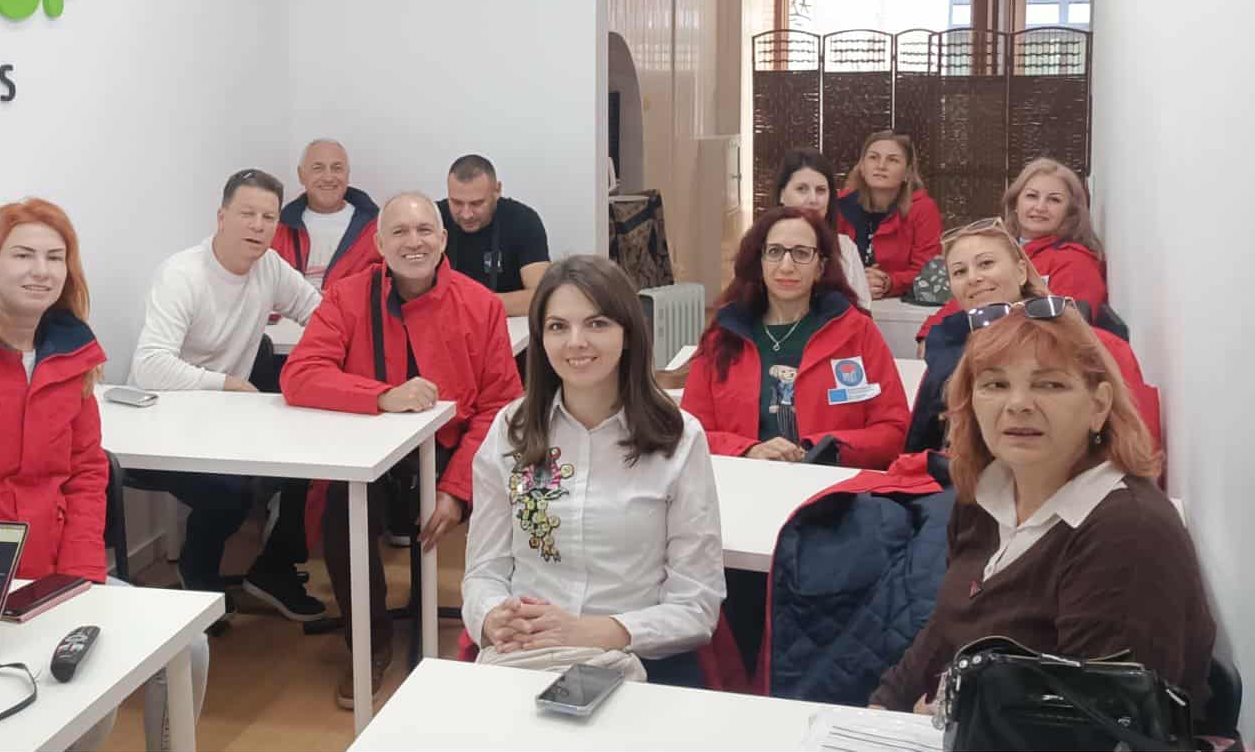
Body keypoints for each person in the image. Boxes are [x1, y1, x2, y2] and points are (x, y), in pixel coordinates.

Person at [0, 198, 206, 750]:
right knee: (66, 704)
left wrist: (81, 579)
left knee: (187, 647)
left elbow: (85, 474)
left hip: (53, 579)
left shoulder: (70, 352)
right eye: (23, 255)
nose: (41, 270)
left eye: (55, 257)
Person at [870, 310, 1214, 714]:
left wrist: (945, 714)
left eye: (1049, 384)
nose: (1018, 405)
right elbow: (945, 628)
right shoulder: (983, 497)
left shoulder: (1128, 534)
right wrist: (883, 710)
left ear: (1098, 405)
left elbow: (1101, 725)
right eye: (996, 384)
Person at [280, 192, 525, 709]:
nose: (413, 242)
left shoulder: (480, 305)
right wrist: (380, 396)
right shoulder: (347, 297)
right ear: (379, 243)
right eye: (399, 232)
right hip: (373, 460)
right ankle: (368, 643)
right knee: (342, 511)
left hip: (453, 458)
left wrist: (456, 491)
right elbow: (299, 375)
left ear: (442, 239)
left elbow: (502, 409)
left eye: (423, 231)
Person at [463, 255, 724, 688]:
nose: (576, 342)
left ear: (628, 332)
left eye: (597, 324)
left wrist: (590, 631)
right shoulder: (512, 430)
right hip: (527, 657)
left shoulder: (679, 437)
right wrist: (493, 616)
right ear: (540, 339)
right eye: (557, 326)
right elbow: (484, 572)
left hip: (638, 661)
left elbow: (696, 607)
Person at [126, 168, 326, 621]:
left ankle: (271, 569)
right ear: (221, 217)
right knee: (230, 493)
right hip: (160, 425)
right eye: (247, 214)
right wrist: (226, 383)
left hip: (221, 421)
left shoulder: (269, 266)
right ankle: (198, 580)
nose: (258, 226)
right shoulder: (182, 274)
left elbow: (321, 313)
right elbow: (150, 365)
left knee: (305, 459)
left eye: (269, 217)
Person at [906, 219, 1161, 462]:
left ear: (1021, 272)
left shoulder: (1088, 344)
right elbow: (924, 437)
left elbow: (1133, 443)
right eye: (959, 271)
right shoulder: (948, 344)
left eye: (986, 263)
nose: (973, 278)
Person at [679, 206, 910, 469]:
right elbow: (689, 433)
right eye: (774, 252)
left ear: (820, 267)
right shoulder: (723, 336)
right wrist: (747, 450)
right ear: (760, 263)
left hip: (833, 485)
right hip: (742, 481)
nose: (786, 266)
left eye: (801, 253)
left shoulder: (857, 332)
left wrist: (822, 449)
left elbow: (894, 431)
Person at [916, 157, 1108, 346]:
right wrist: (928, 338)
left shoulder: (1076, 263)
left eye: (1054, 200)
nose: (1040, 207)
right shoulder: (997, 248)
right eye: (1032, 196)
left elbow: (1067, 334)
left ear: (1071, 212)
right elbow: (959, 306)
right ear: (1015, 202)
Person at [833, 131, 943, 300]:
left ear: (907, 172)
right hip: (845, 299)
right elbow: (824, 261)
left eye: (892, 160)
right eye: (873, 157)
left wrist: (889, 282)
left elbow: (928, 272)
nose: (881, 166)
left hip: (897, 305)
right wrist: (854, 282)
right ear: (862, 167)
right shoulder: (839, 204)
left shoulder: (923, 209)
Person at [439, 153, 552, 317]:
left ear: (497, 191)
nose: (466, 214)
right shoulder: (431, 220)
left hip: (509, 327)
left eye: (477, 203)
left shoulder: (523, 220)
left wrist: (470, 304)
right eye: (456, 203)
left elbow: (542, 296)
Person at [271, 138, 382, 290]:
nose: (328, 177)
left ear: (347, 174)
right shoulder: (277, 228)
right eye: (318, 168)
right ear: (301, 175)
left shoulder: (377, 228)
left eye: (337, 168)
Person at [773, 147, 870, 307]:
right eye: (801, 189)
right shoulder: (760, 245)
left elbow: (863, 310)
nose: (813, 199)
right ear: (782, 194)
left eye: (821, 190)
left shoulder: (845, 248)